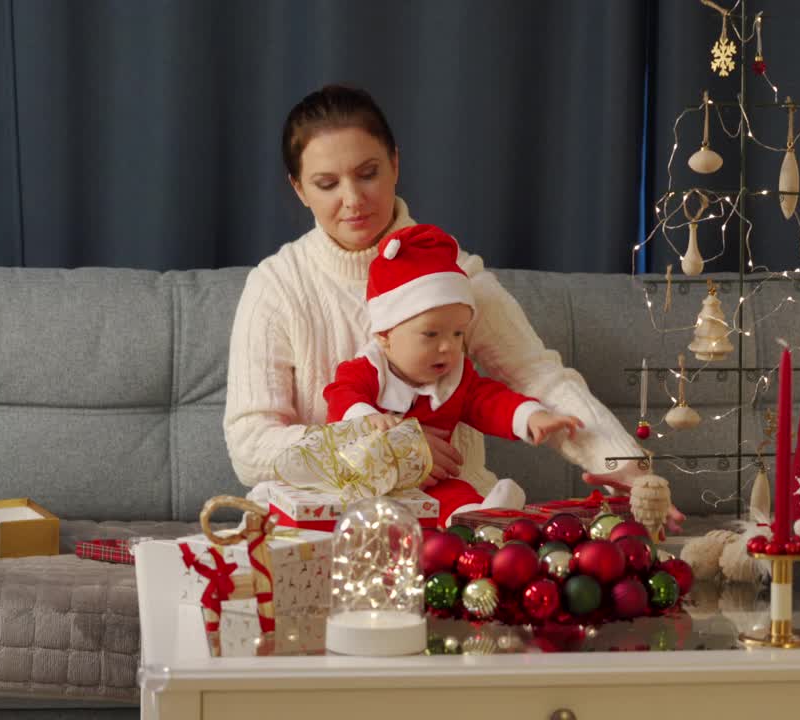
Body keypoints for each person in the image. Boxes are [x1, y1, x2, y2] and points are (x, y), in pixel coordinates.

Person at [223, 84, 681, 530]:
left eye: (368, 173)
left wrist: (628, 469)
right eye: (326, 184)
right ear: (300, 189)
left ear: (395, 164)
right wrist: (393, 452)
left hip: (452, 514)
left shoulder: (454, 275)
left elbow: (539, 378)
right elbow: (250, 445)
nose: (353, 200)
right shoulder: (278, 285)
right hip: (326, 517)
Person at [322, 224, 583, 525]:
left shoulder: (454, 379)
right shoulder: (368, 370)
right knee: (354, 507)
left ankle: (474, 520)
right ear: (384, 334)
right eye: (431, 334)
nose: (447, 347)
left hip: (433, 485)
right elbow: (340, 397)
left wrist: (531, 416)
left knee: (457, 494)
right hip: (370, 480)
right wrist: (367, 418)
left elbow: (489, 400)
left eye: (458, 333)